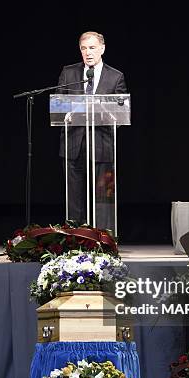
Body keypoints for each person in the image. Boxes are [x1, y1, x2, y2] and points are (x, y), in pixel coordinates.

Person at [58, 31, 127, 229]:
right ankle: (75, 238)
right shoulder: (68, 73)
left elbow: (121, 112)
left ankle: (105, 239)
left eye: (92, 47)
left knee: (104, 196)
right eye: (84, 48)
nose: (88, 53)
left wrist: (101, 114)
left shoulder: (115, 77)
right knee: (74, 198)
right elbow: (59, 105)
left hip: (103, 145)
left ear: (102, 49)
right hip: (74, 144)